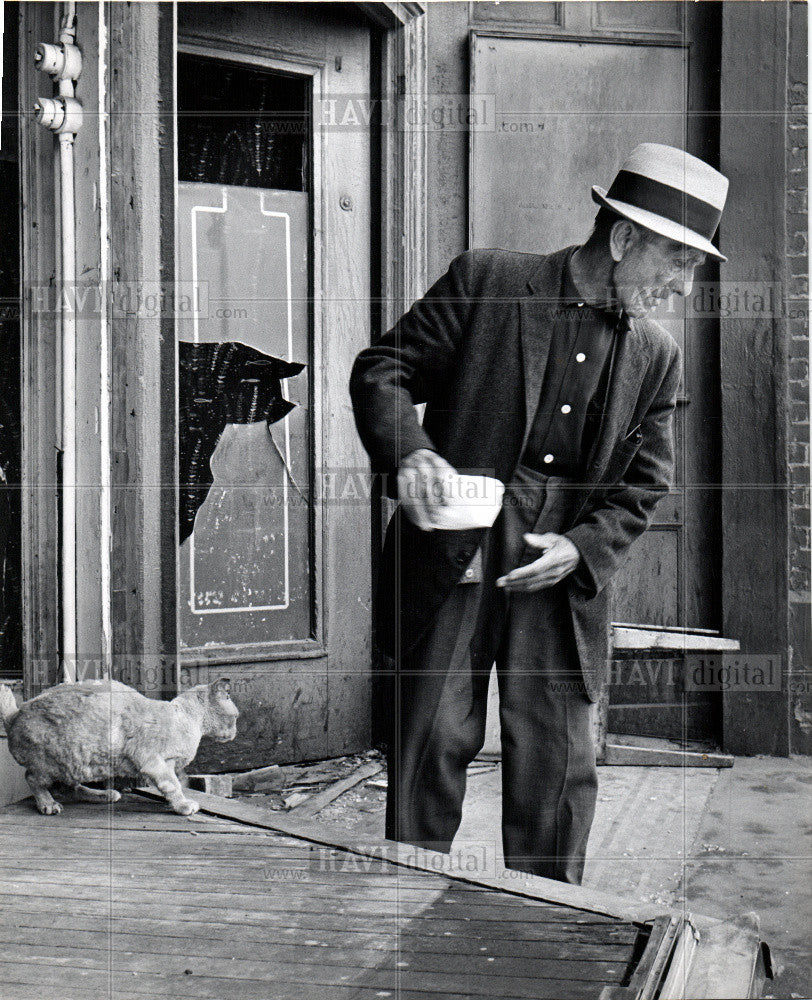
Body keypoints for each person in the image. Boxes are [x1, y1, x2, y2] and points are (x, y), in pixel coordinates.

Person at [349, 143, 729, 884]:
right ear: (623, 238)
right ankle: (403, 899)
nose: (683, 287)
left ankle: (545, 916)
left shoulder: (657, 356)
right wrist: (412, 453)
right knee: (431, 734)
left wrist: (583, 550)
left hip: (557, 565)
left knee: (557, 758)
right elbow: (383, 370)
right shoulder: (488, 279)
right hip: (455, 538)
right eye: (677, 262)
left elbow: (645, 485)